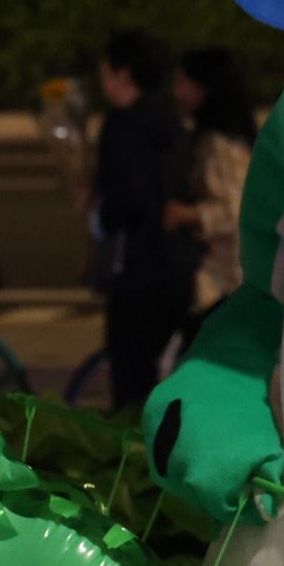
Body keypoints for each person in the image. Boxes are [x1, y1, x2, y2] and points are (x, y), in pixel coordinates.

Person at [90, 29, 197, 410]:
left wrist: (99, 212)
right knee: (163, 374)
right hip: (176, 265)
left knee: (130, 378)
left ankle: (132, 457)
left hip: (136, 267)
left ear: (122, 74)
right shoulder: (170, 124)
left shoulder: (121, 126)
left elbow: (126, 201)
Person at [165, 46, 259, 314]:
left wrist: (189, 215)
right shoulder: (227, 138)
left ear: (207, 87)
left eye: (184, 82)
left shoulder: (220, 146)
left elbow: (238, 210)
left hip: (225, 280)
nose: (177, 93)